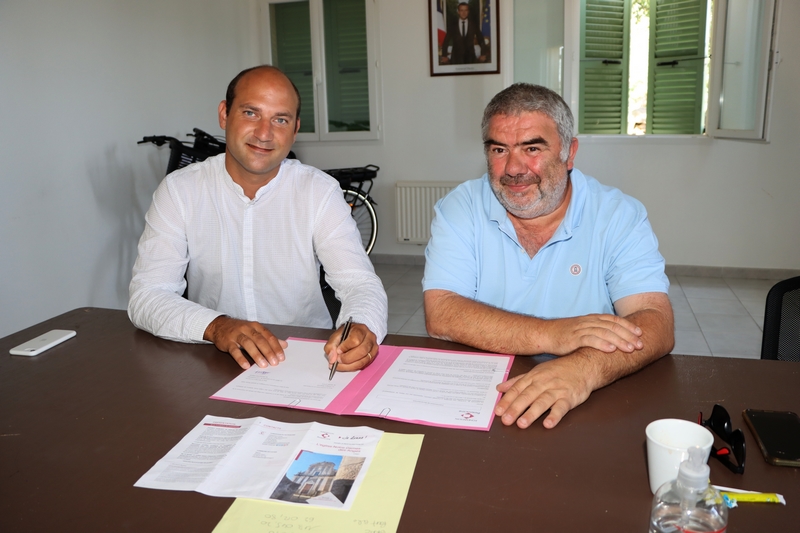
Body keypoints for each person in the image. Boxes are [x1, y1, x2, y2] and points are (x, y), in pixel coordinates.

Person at [423, 83, 674, 430]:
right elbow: (442, 313)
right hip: (482, 397)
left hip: (588, 399)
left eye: (532, 148)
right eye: (499, 149)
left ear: (569, 153)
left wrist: (582, 369)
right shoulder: (461, 207)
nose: (513, 168)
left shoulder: (618, 215)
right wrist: (555, 335)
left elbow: (655, 321)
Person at [129, 65, 387, 373]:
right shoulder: (180, 191)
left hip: (304, 361)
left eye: (280, 119)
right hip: (214, 360)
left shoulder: (318, 192)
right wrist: (217, 326)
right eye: (251, 113)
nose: (265, 133)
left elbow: (359, 283)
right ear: (224, 114)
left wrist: (359, 327)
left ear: (295, 128)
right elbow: (148, 295)